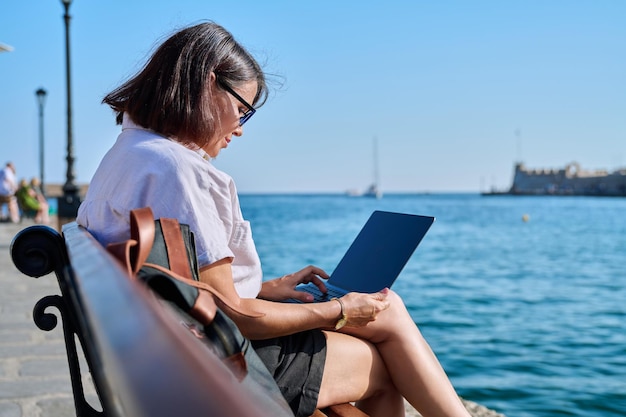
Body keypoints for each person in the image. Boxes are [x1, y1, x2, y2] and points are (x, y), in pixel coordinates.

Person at [77, 22, 472, 417]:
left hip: (166, 352)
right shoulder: (177, 171)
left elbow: (187, 284)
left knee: (375, 334)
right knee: (386, 325)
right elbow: (232, 315)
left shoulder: (126, 155)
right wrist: (340, 310)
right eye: (241, 111)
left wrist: (266, 288)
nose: (240, 130)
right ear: (207, 84)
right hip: (219, 364)